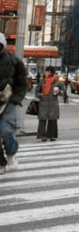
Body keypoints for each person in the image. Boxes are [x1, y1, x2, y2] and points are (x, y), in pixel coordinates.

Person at [0, 33, 29, 174]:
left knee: (6, 131)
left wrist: (16, 99)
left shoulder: (14, 62)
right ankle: (1, 163)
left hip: (8, 102)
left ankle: (11, 155)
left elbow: (22, 83)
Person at [35, 66, 61, 142]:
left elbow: (64, 91)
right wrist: (40, 95)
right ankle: (42, 135)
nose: (45, 72)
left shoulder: (57, 81)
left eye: (46, 71)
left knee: (52, 119)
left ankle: (52, 135)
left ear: (50, 72)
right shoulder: (42, 81)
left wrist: (59, 92)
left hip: (53, 102)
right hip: (43, 102)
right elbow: (37, 91)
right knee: (42, 119)